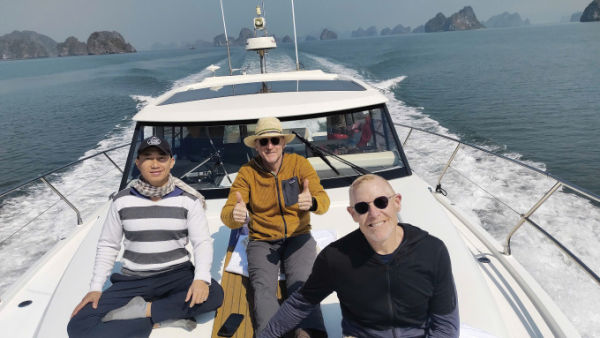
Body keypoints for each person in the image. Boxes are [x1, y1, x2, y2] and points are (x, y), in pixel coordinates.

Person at [259, 174, 459, 338]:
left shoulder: (432, 251)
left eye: (381, 202)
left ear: (397, 203)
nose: (373, 213)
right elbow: (299, 305)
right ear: (352, 214)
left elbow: (445, 324)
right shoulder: (336, 258)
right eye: (362, 208)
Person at [68, 136, 224, 338]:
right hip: (133, 280)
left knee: (214, 295)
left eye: (161, 157)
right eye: (148, 158)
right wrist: (96, 288)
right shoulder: (122, 201)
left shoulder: (189, 201)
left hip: (177, 275)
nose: (155, 163)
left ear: (171, 162)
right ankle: (158, 316)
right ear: (138, 163)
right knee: (79, 326)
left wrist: (201, 278)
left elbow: (202, 242)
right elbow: (108, 245)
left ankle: (144, 312)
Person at [220, 117, 330, 337]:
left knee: (303, 284)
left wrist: (313, 202)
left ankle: (309, 334)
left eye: (274, 140)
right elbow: (227, 213)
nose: (269, 146)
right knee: (263, 290)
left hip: (298, 236)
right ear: (257, 146)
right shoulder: (247, 173)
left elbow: (323, 200)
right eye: (264, 142)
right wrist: (235, 214)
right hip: (262, 240)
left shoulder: (300, 164)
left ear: (283, 143)